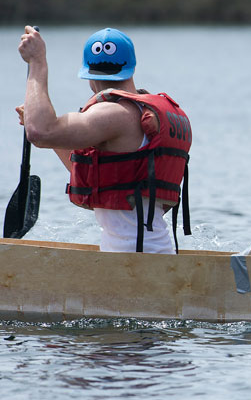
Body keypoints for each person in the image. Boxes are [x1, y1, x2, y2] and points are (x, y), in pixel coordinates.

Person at [16, 26, 192, 253]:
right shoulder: (138, 115)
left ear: (87, 74)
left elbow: (40, 133)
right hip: (151, 254)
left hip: (136, 262)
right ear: (131, 68)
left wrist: (37, 62)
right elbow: (97, 178)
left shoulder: (115, 114)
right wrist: (44, 129)